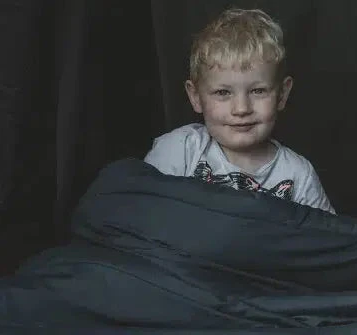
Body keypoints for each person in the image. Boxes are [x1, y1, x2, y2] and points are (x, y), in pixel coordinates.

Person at [143, 8, 336, 214]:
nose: (242, 109)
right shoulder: (179, 150)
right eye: (223, 92)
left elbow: (327, 233)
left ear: (282, 94)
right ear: (196, 97)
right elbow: (139, 218)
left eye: (258, 91)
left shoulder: (299, 175)